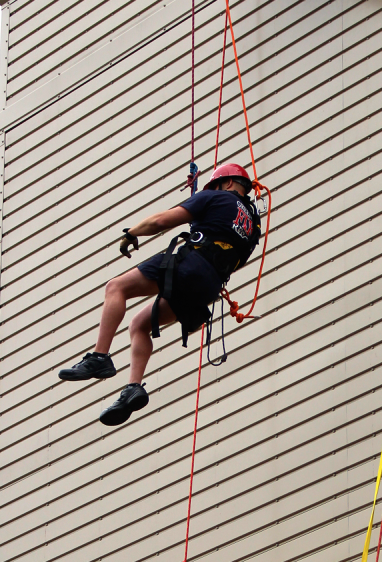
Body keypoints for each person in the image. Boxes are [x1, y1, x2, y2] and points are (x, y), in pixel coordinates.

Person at [57, 162, 262, 426]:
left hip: (190, 266)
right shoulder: (252, 228)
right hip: (208, 287)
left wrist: (131, 233)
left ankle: (99, 357)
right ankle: (133, 386)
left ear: (229, 183)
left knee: (115, 287)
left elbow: (160, 221)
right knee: (139, 325)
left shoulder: (215, 197)